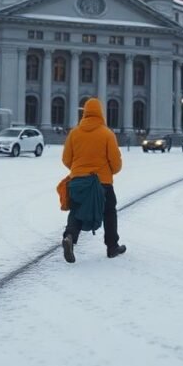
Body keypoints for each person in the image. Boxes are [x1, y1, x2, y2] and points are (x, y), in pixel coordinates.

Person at [61, 98, 126, 262]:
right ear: (100, 113)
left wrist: (78, 170)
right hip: (102, 182)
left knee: (76, 210)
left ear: (85, 113)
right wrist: (109, 172)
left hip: (78, 181)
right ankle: (112, 247)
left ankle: (69, 236)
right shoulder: (107, 133)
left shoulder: (74, 133)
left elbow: (66, 159)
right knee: (109, 211)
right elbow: (116, 163)